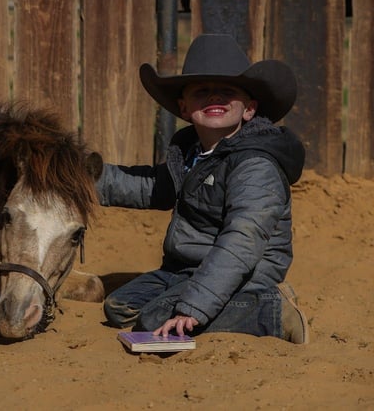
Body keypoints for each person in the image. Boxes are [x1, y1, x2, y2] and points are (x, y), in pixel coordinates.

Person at [97, 33, 309, 344]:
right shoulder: (191, 153)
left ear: (249, 109)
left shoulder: (255, 164)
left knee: (153, 319)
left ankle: (272, 312)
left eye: (227, 92)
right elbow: (150, 186)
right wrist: (83, 177)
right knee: (118, 306)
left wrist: (194, 306)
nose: (214, 98)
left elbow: (243, 240)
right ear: (184, 108)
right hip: (186, 269)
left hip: (246, 271)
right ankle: (187, 299)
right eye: (202, 91)